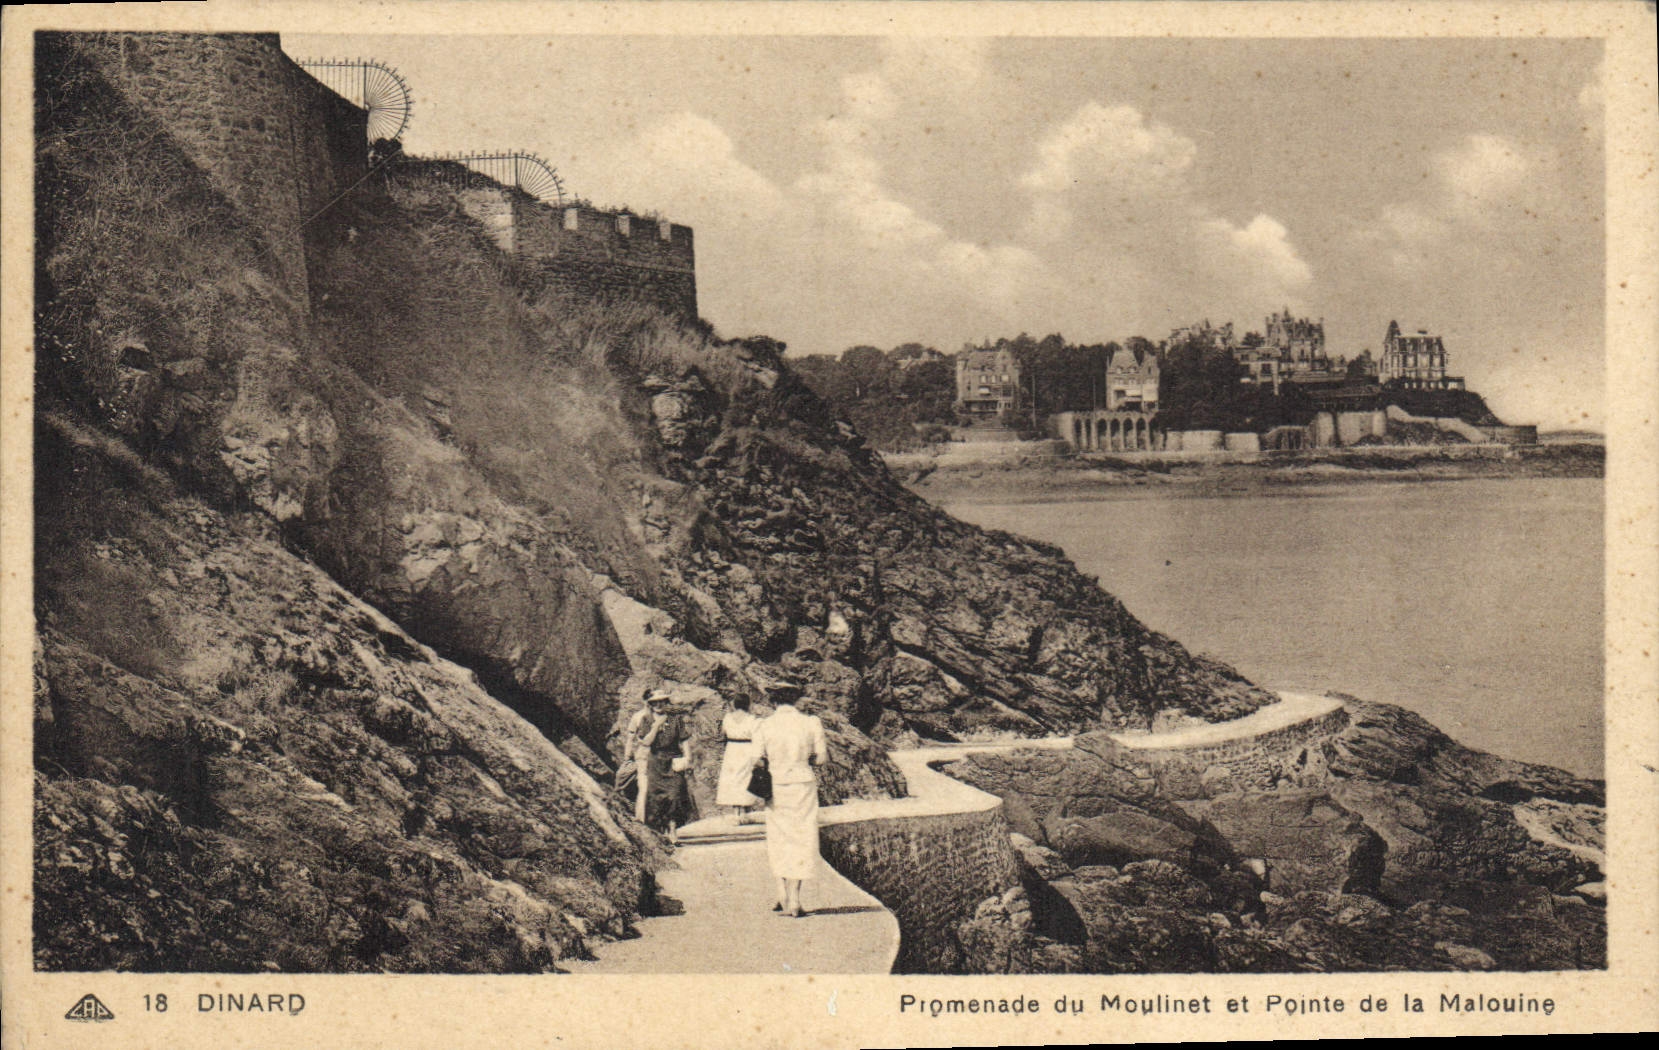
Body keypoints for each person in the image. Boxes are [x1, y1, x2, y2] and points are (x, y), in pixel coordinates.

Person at [747, 678, 828, 918]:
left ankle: (781, 891)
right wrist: (805, 760)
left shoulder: (764, 725)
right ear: (796, 699)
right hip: (802, 782)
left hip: (776, 784)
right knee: (802, 835)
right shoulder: (811, 722)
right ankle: (795, 898)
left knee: (779, 835)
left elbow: (756, 759)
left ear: (773, 700)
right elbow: (822, 758)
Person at [636, 688, 695, 836]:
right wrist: (656, 726)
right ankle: (659, 832)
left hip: (673, 760)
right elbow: (646, 742)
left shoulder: (675, 719)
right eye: (655, 702)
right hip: (655, 762)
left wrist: (688, 759)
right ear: (651, 704)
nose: (658, 705)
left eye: (661, 701)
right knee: (656, 798)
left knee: (675, 795)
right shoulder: (646, 720)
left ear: (666, 702)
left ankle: (673, 830)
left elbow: (684, 740)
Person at [714, 694, 763, 821]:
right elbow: (757, 738)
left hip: (732, 749)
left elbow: (722, 734)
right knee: (745, 778)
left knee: (732, 779)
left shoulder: (727, 718)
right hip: (747, 748)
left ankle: (736, 812)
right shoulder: (753, 720)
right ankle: (744, 813)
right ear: (748, 704)